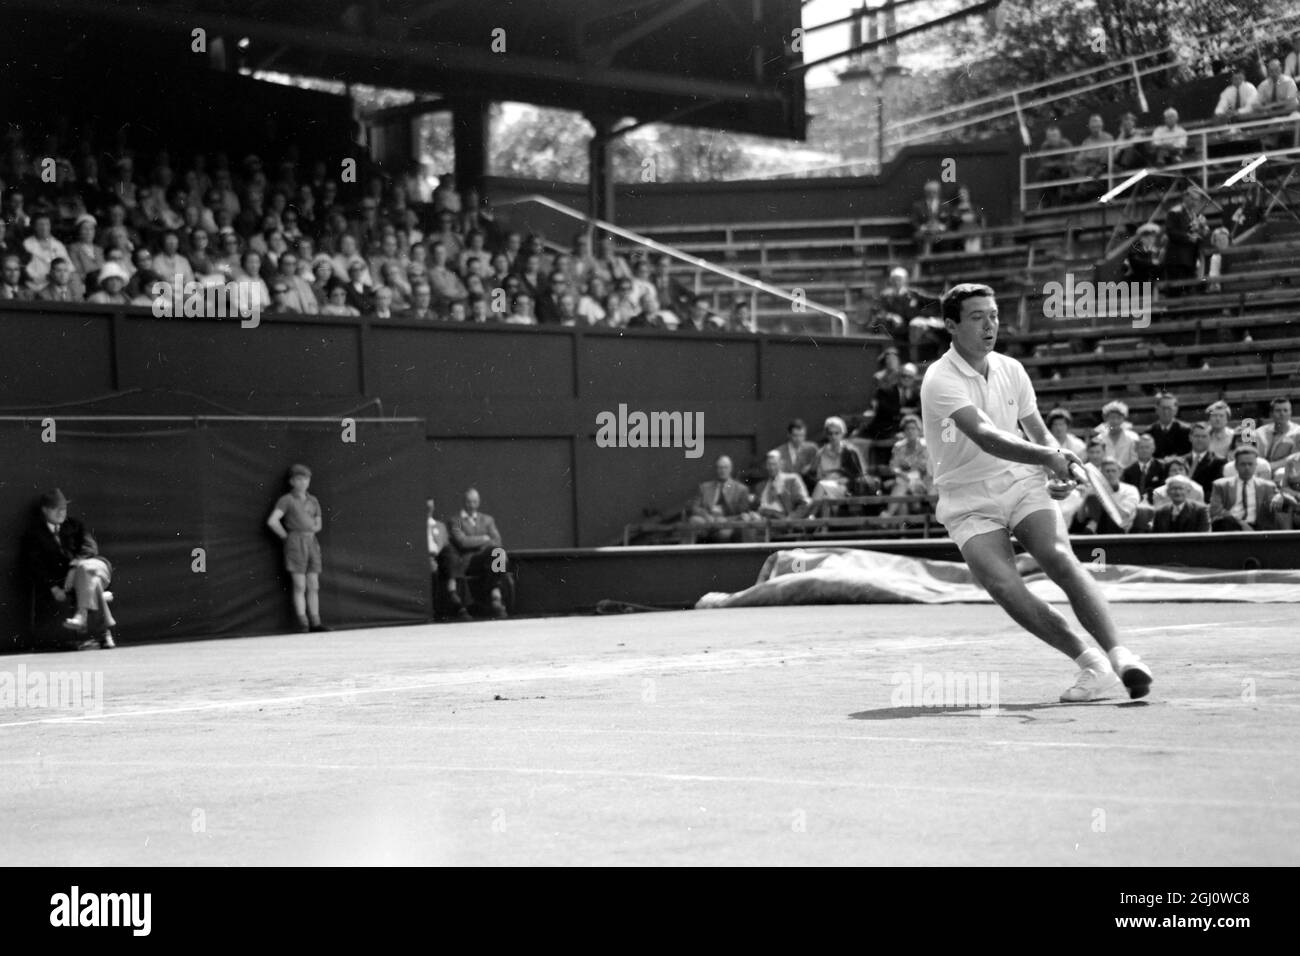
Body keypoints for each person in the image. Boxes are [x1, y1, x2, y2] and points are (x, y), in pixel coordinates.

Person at [919, 282, 1153, 701]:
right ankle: (1092, 664)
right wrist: (1049, 456)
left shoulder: (1012, 369)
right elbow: (986, 436)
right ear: (950, 325)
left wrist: (1055, 464)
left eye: (993, 315)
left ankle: (1121, 656)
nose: (990, 325)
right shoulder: (939, 379)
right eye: (977, 317)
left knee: (1058, 557)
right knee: (1006, 586)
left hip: (1021, 483)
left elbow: (1039, 431)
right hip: (966, 497)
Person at [266, 463, 329, 633]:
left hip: (311, 542)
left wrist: (311, 528)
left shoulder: (313, 500)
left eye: (306, 479)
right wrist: (286, 536)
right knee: (300, 584)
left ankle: (316, 621)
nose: (303, 483)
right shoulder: (287, 500)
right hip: (295, 542)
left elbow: (318, 523)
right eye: (299, 479)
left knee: (313, 583)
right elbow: (273, 521)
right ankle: (303, 623)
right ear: (292, 481)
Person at [447, 488, 510, 618]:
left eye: (475, 502)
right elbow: (462, 542)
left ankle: (495, 593)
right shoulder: (456, 521)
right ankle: (496, 593)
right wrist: (484, 539)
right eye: (469, 502)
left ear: (479, 502)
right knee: (497, 553)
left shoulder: (488, 519)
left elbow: (497, 540)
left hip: (489, 558)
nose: (472, 505)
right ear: (464, 502)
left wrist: (478, 542)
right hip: (470, 562)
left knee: (498, 552)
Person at [60, 533, 118, 645]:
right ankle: (105, 634)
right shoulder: (40, 536)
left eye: (63, 513)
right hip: (81, 582)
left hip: (95, 565)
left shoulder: (73, 527)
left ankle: (81, 615)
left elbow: (90, 549)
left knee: (84, 567)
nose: (60, 513)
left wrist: (74, 567)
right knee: (94, 586)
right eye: (54, 512)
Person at [687, 455, 760, 543]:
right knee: (693, 520)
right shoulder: (704, 487)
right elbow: (694, 507)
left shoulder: (741, 489)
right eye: (720, 468)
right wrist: (706, 516)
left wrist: (726, 520)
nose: (722, 471)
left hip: (728, 523)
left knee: (724, 532)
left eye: (725, 467)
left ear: (730, 469)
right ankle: (685, 553)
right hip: (707, 521)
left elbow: (743, 513)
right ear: (716, 469)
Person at [809, 416, 872, 511]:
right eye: (830, 433)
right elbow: (811, 474)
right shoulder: (821, 453)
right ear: (827, 435)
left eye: (836, 433)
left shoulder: (850, 451)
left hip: (844, 487)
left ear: (842, 433)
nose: (833, 436)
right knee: (827, 497)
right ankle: (823, 525)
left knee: (822, 485)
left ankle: (810, 515)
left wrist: (847, 480)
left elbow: (861, 474)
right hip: (825, 485)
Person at [1209, 446, 1277, 531]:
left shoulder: (1268, 487)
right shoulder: (1221, 485)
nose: (1247, 467)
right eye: (1243, 464)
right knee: (1224, 523)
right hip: (1230, 526)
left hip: (1258, 528)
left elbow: (1276, 507)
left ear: (1256, 465)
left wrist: (1281, 496)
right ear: (1236, 466)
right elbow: (1215, 510)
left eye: (1250, 464)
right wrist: (1241, 524)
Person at [1074, 457, 1143, 534]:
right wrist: (1086, 498)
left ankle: (1092, 526)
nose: (1110, 474)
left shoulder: (1130, 490)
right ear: (1102, 474)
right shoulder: (1092, 490)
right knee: (1092, 498)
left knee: (1094, 499)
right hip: (1097, 528)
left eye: (1113, 471)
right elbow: (1080, 518)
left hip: (1120, 527)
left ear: (1120, 472)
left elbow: (1123, 515)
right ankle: (1092, 526)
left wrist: (1104, 494)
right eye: (1107, 471)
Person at [885, 415, 932, 516]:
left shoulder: (926, 446)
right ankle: (899, 527)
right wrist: (902, 474)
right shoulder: (898, 446)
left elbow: (927, 467)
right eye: (907, 429)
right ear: (904, 431)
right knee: (902, 494)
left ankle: (887, 515)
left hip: (924, 480)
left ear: (919, 430)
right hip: (905, 479)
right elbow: (893, 467)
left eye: (913, 428)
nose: (910, 431)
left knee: (902, 487)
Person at [754, 450, 812, 520]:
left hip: (783, 519)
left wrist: (790, 519)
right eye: (769, 464)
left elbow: (804, 503)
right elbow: (756, 507)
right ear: (766, 466)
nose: (772, 468)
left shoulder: (792, 480)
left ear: (781, 464)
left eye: (774, 464)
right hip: (762, 520)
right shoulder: (760, 486)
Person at [1184, 423, 1227, 502]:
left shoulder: (1219, 461)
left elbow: (1216, 489)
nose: (1200, 439)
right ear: (1190, 438)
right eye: (1196, 436)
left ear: (1210, 438)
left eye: (1204, 436)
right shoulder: (1182, 460)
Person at [1121, 433, 1166, 503]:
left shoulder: (1162, 468)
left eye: (1147, 447)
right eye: (1141, 447)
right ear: (1136, 449)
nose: (1144, 450)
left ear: (1153, 449)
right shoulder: (1128, 471)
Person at [1146, 392, 1192, 458]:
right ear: (1157, 410)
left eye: (1169, 408)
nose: (1166, 412)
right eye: (1163, 408)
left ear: (1176, 410)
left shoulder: (1187, 430)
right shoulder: (1150, 431)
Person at [773, 419, 818, 487]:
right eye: (795, 435)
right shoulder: (779, 452)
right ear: (789, 435)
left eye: (802, 435)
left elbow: (818, 465)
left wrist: (810, 467)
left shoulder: (812, 448)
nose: (799, 439)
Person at [1255, 396, 1300, 464]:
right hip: (1261, 468)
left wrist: (1270, 467)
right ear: (1271, 414)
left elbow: (1295, 458)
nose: (1282, 414)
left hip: (1286, 469)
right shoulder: (1260, 432)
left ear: (1290, 413)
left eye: (1285, 410)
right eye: (1278, 410)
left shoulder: (1298, 432)